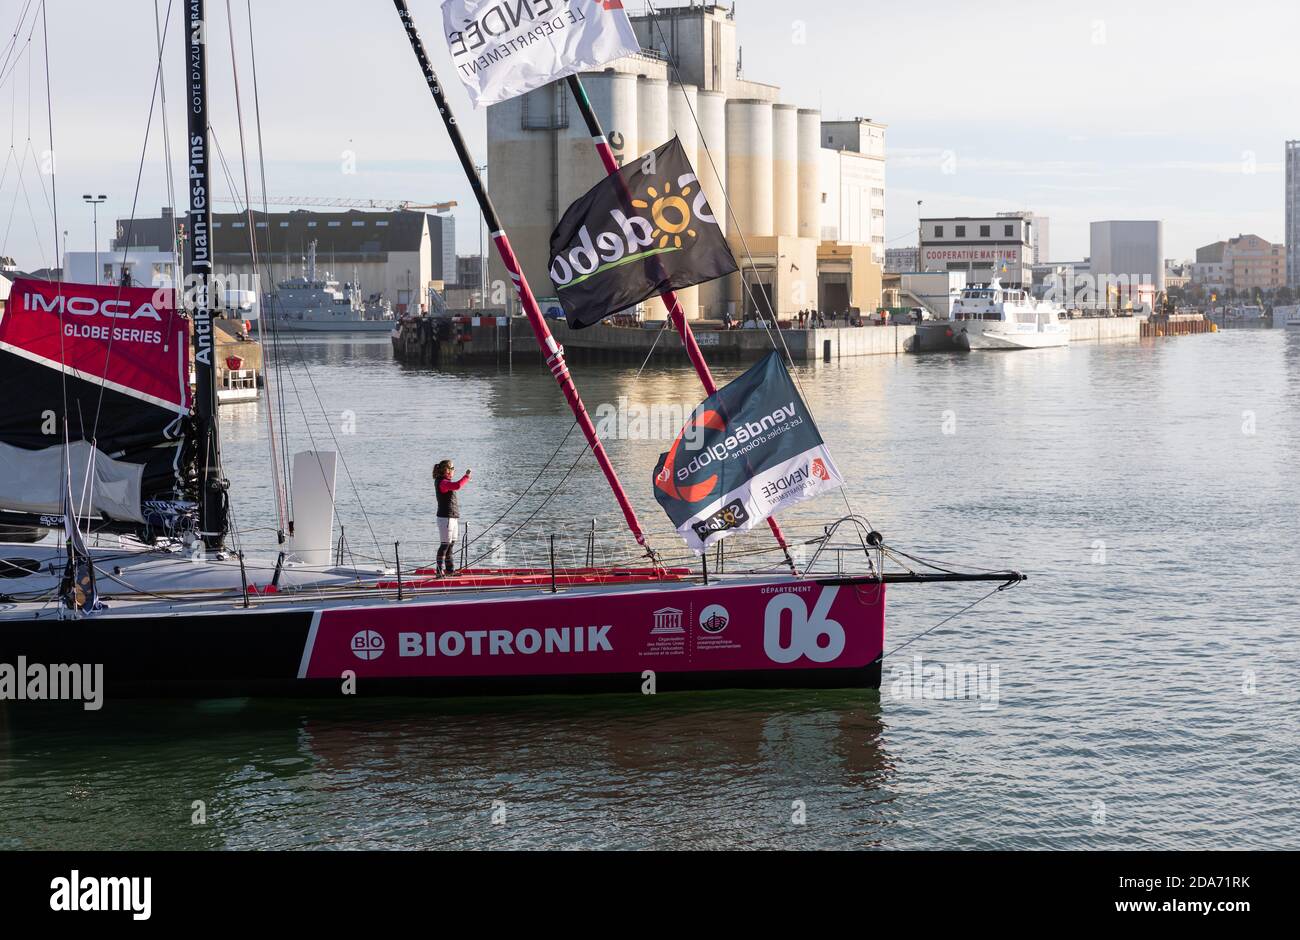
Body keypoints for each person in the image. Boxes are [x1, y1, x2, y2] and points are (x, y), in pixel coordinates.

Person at [433, 459, 471, 577]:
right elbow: (458, 485)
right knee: (445, 544)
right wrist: (467, 476)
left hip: (453, 517)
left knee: (451, 544)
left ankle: (450, 570)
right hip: (445, 518)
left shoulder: (446, 482)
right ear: (446, 470)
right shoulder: (443, 483)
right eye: (452, 468)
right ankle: (439, 572)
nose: (454, 471)